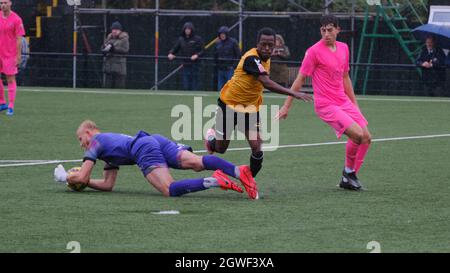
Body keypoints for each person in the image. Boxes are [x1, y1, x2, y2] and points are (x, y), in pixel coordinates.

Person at [204, 27, 313, 183]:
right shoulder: (251, 58)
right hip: (229, 104)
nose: (267, 48)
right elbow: (266, 82)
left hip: (249, 108)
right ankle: (210, 139)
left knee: (257, 146)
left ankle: (249, 179)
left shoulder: (266, 58)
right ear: (257, 44)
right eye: (263, 44)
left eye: (270, 44)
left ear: (275, 45)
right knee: (220, 149)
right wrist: (293, 93)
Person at [277, 15, 372, 191]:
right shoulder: (313, 52)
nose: (326, 33)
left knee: (366, 138)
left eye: (330, 29)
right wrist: (286, 106)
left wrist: (354, 104)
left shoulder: (344, 48)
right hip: (326, 105)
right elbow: (299, 80)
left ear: (338, 30)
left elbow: (345, 77)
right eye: (323, 30)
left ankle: (349, 177)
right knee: (357, 135)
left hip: (343, 101)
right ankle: (348, 173)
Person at [53, 120, 259, 199]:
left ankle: (214, 180)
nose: (82, 144)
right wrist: (85, 181)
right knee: (197, 163)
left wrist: (67, 177)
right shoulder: (108, 148)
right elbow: (108, 185)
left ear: (89, 132)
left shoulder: (96, 142)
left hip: (143, 147)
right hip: (153, 140)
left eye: (81, 139)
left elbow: (82, 177)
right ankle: (239, 171)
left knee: (169, 189)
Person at [0, 0, 25, 116]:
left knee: (10, 79)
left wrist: (18, 55)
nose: (3, 5)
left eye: (5, 2)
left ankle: (11, 105)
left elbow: (19, 39)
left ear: (10, 3)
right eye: (1, 3)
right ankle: (2, 102)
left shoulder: (16, 19)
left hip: (10, 54)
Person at [168, 22, 204, 91]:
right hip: (185, 65)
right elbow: (175, 48)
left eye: (189, 29)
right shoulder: (181, 39)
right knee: (186, 84)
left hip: (195, 65)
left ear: (191, 30)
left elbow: (202, 51)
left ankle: (196, 99)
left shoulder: (197, 39)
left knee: (195, 84)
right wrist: (171, 53)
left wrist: (197, 55)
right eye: (186, 29)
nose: (187, 31)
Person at [101, 21, 129, 89]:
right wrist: (103, 49)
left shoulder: (124, 39)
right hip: (108, 67)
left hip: (119, 68)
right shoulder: (108, 38)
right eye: (113, 29)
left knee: (119, 88)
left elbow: (125, 50)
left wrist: (114, 49)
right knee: (106, 88)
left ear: (120, 31)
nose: (114, 31)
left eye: (116, 29)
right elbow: (103, 47)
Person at [214, 26, 241, 91]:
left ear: (227, 34)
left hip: (230, 69)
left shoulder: (233, 42)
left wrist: (233, 65)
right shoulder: (218, 43)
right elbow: (215, 55)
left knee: (230, 88)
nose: (222, 35)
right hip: (220, 69)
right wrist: (217, 64)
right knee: (220, 88)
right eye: (221, 34)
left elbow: (238, 54)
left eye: (223, 34)